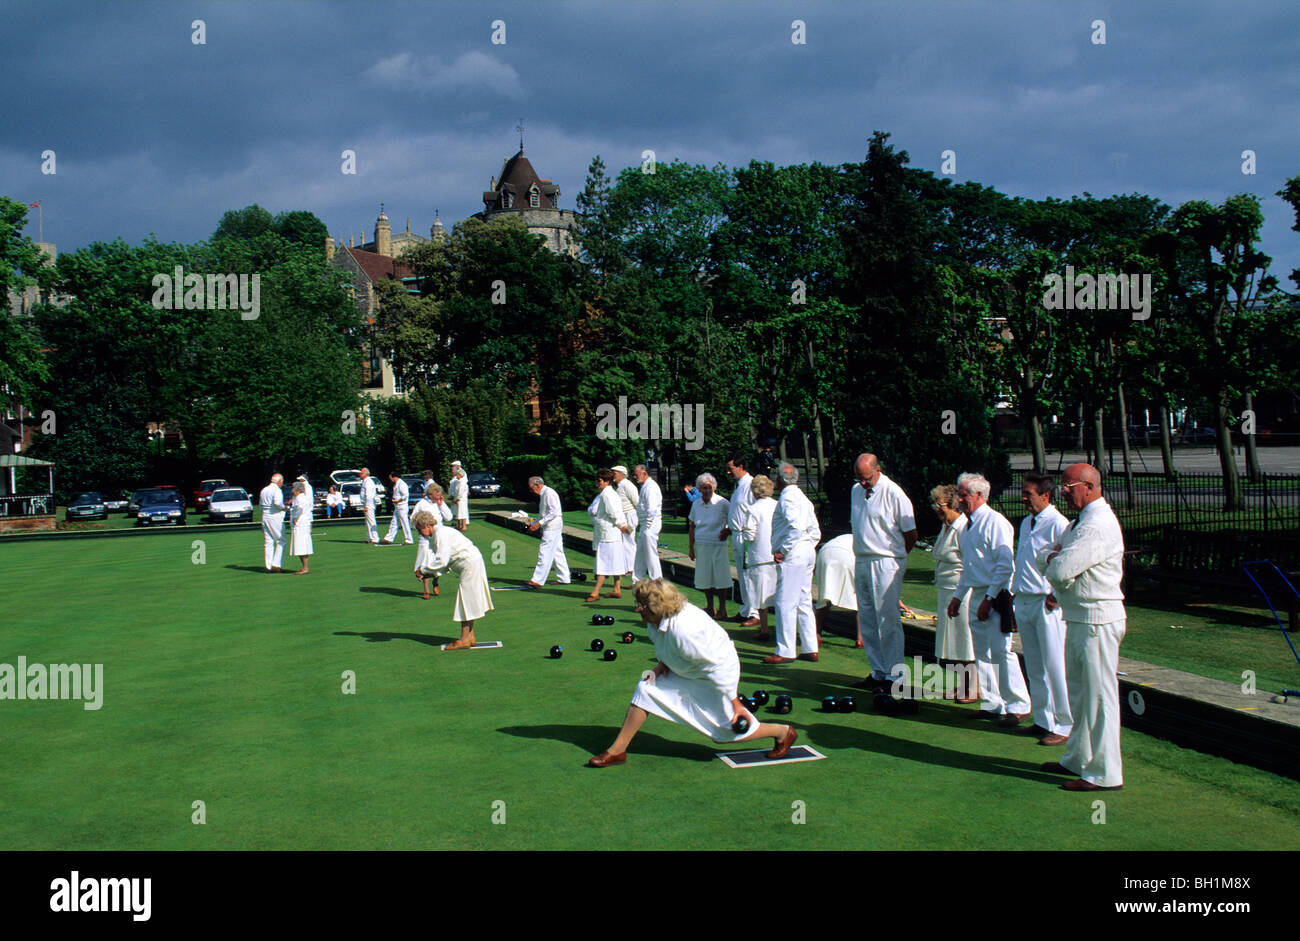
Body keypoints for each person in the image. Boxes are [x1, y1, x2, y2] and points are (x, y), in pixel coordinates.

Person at [586, 578, 797, 767]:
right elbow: (667, 648)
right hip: (690, 668)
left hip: (716, 673)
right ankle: (617, 751)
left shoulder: (684, 631)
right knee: (646, 688)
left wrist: (735, 704)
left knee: (723, 734)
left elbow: (714, 666)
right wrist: (660, 667)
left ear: (656, 607)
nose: (637, 610)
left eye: (640, 606)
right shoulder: (657, 619)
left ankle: (782, 732)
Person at [1039, 463, 1126, 791]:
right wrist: (1055, 561)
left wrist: (1055, 561)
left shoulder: (1097, 525)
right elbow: (1052, 559)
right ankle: (1077, 758)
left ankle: (1105, 773)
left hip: (1098, 620)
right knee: (1080, 692)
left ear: (1089, 486)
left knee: (1100, 697)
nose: (1062, 491)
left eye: (1068, 485)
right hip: (1079, 617)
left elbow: (1060, 569)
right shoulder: (1080, 523)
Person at [948, 473, 1031, 725]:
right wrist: (957, 597)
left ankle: (1018, 705)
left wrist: (989, 598)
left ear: (980, 495)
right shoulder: (967, 525)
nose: (960, 499)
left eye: (964, 495)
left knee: (1001, 651)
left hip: (997, 595)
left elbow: (1005, 565)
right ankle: (993, 703)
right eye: (959, 494)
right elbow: (969, 567)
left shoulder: (996, 522)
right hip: (977, 593)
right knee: (982, 652)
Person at [1013, 473, 1073, 746]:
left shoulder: (1059, 523)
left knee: (1054, 664)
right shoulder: (1027, 522)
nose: (1024, 498)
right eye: (1024, 493)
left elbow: (1069, 561)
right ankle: (1043, 719)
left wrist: (1056, 594)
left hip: (1046, 603)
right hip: (1024, 598)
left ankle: (1064, 724)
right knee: (1035, 665)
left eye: (1029, 493)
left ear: (1046, 495)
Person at [850, 453, 917, 690]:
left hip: (886, 561)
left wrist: (897, 558)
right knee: (867, 617)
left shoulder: (895, 494)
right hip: (862, 559)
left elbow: (911, 534)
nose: (863, 483)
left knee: (887, 620)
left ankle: (895, 676)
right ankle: (878, 672)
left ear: (878, 469)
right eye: (860, 479)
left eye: (867, 478)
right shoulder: (856, 491)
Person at [412, 509, 494, 650]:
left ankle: (464, 639)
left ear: (426, 525)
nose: (419, 533)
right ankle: (470, 637)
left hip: (469, 564)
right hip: (470, 564)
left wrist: (423, 570)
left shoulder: (441, 534)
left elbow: (442, 561)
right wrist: (429, 574)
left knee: (466, 600)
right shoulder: (435, 537)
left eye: (419, 529)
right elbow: (445, 565)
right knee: (469, 600)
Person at [765, 463, 821, 664]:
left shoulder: (787, 497)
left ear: (779, 480)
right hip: (806, 550)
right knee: (804, 599)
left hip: (795, 552)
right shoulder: (803, 498)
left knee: (785, 601)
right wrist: (809, 545)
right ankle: (809, 647)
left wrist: (783, 549)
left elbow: (795, 527)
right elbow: (815, 530)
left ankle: (786, 650)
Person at [931, 484, 980, 702]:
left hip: (962, 592)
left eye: (939, 504)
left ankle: (974, 688)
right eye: (935, 504)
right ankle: (960, 686)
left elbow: (969, 563)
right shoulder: (945, 526)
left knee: (965, 639)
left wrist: (961, 592)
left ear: (951, 504)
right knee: (951, 641)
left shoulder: (963, 527)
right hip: (945, 590)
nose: (936, 508)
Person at [687, 473, 732, 619]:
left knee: (721, 577)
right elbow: (692, 526)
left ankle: (723, 609)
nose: (707, 491)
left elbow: (733, 520)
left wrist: (727, 530)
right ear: (699, 489)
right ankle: (710, 607)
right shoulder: (696, 504)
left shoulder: (723, 503)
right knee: (705, 578)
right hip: (702, 545)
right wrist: (691, 548)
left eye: (709, 488)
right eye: (704, 488)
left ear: (714, 487)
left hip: (719, 545)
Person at [740, 474, 778, 640]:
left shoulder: (753, 509)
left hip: (760, 557)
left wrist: (743, 529)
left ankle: (764, 629)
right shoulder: (778, 505)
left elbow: (750, 536)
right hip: (777, 555)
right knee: (780, 594)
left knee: (762, 596)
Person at [586, 468, 631, 602]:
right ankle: (616, 590)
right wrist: (622, 525)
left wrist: (622, 525)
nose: (597, 483)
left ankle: (595, 593)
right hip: (611, 534)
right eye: (597, 480)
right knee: (616, 562)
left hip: (608, 535)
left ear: (607, 482)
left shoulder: (606, 495)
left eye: (599, 481)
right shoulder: (609, 493)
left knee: (603, 564)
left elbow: (613, 513)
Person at [725, 454, 756, 625]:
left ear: (741, 466)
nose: (729, 473)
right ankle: (746, 608)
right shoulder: (738, 486)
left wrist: (750, 528)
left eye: (731, 469)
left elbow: (755, 509)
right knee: (742, 574)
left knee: (749, 573)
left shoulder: (750, 485)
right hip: (736, 534)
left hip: (746, 536)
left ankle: (754, 612)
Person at [812, 533, 859, 646]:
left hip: (825, 554)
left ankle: (816, 635)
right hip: (846, 556)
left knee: (823, 599)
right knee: (862, 600)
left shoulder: (850, 537)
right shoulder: (871, 544)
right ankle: (861, 639)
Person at [526, 476, 570, 588]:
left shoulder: (549, 493)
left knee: (544, 551)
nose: (531, 491)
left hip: (552, 526)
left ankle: (538, 580)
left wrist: (539, 524)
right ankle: (564, 577)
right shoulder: (544, 494)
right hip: (552, 525)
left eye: (531, 488)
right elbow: (543, 515)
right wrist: (532, 523)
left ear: (537, 484)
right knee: (557, 552)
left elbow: (554, 512)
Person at [411, 483, 453, 598]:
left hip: (439, 538)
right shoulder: (421, 504)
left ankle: (435, 580)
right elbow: (412, 521)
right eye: (436, 496)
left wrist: (441, 505)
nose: (438, 498)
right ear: (430, 495)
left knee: (438, 561)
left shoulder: (440, 502)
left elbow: (449, 517)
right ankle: (426, 590)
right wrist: (421, 531)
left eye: (439, 496)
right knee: (425, 562)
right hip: (424, 539)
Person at [632, 464, 663, 582]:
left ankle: (657, 581)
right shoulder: (645, 486)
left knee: (651, 554)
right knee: (640, 553)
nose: (635, 477)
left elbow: (652, 508)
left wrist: (648, 525)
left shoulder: (651, 487)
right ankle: (637, 580)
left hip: (650, 525)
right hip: (645, 525)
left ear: (644, 474)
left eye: (636, 474)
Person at [612, 465, 639, 581]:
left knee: (629, 542)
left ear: (622, 474)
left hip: (630, 516)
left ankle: (632, 568)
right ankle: (626, 567)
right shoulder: (620, 486)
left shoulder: (628, 485)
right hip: (624, 516)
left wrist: (634, 518)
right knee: (625, 542)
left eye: (615, 473)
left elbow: (637, 502)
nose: (613, 475)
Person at [259, 473, 287, 572]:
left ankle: (268, 566)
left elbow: (261, 505)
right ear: (279, 481)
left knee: (268, 541)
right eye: (282, 481)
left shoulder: (264, 490)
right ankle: (276, 564)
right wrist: (284, 508)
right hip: (275, 516)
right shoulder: (277, 490)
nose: (282, 483)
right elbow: (277, 503)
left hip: (265, 516)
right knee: (281, 540)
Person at [289, 480, 313, 575]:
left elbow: (299, 509)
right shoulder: (298, 498)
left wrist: (295, 518)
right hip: (301, 524)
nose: (292, 490)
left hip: (301, 524)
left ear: (297, 489)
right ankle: (304, 567)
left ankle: (305, 568)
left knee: (302, 546)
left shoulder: (300, 498)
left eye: (293, 488)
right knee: (300, 546)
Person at [382, 471, 413, 545]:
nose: (390, 479)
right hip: (397, 507)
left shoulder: (402, 484)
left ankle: (409, 539)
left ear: (394, 477)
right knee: (394, 522)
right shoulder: (396, 484)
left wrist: (398, 500)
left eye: (390, 477)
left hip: (402, 507)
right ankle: (388, 538)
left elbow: (405, 495)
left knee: (404, 523)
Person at [448, 461, 470, 531]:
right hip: (458, 498)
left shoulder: (462, 480)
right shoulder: (458, 481)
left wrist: (457, 499)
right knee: (459, 512)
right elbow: (455, 490)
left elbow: (460, 491)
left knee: (462, 512)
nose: (456, 476)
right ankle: (460, 525)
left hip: (461, 499)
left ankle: (463, 526)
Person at [360, 467, 379, 545]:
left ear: (365, 473)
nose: (360, 474)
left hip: (369, 504)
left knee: (371, 521)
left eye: (361, 473)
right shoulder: (365, 481)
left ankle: (375, 538)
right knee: (367, 522)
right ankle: (370, 538)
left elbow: (369, 495)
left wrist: (367, 505)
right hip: (366, 504)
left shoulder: (368, 482)